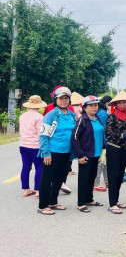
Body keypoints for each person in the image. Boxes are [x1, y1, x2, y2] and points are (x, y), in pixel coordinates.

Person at [37, 87, 76, 215]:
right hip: (52, 152)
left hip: (66, 153)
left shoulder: (71, 115)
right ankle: (42, 205)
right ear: (56, 100)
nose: (64, 101)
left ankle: (53, 202)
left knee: (60, 178)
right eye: (61, 98)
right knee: (47, 179)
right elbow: (43, 136)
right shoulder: (51, 115)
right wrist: (46, 153)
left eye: (66, 98)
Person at [105, 91, 126, 214]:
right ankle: (112, 204)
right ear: (116, 104)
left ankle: (116, 200)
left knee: (120, 176)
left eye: (124, 102)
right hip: (114, 148)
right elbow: (108, 134)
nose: (122, 104)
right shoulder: (112, 116)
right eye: (120, 102)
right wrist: (123, 135)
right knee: (113, 176)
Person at [71, 96, 105, 213]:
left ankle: (89, 199)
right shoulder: (83, 120)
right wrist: (80, 155)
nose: (94, 107)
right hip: (86, 154)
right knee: (84, 179)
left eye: (95, 105)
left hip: (96, 154)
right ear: (84, 107)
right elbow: (75, 138)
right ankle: (81, 203)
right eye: (91, 105)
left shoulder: (98, 118)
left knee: (92, 177)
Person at [19, 95, 47, 198]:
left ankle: (26, 190)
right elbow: (41, 133)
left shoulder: (22, 116)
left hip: (23, 145)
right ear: (39, 106)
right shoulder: (39, 117)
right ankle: (38, 190)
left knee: (25, 167)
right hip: (35, 146)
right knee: (39, 167)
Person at [94, 95, 112, 192]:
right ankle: (96, 183)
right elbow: (105, 129)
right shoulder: (104, 114)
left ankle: (107, 180)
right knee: (101, 162)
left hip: (100, 141)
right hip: (103, 141)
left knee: (104, 163)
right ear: (107, 103)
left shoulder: (100, 112)